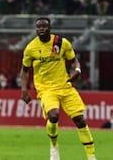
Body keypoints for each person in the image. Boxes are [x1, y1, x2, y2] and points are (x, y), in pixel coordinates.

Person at [20, 17, 97, 160]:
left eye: (44, 27)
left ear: (50, 28)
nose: (41, 29)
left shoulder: (61, 43)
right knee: (53, 116)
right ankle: (54, 147)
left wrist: (77, 71)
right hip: (46, 89)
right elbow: (25, 70)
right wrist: (24, 90)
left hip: (65, 86)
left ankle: (91, 156)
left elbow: (74, 61)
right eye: (39, 27)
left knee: (80, 120)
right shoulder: (31, 48)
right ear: (36, 29)